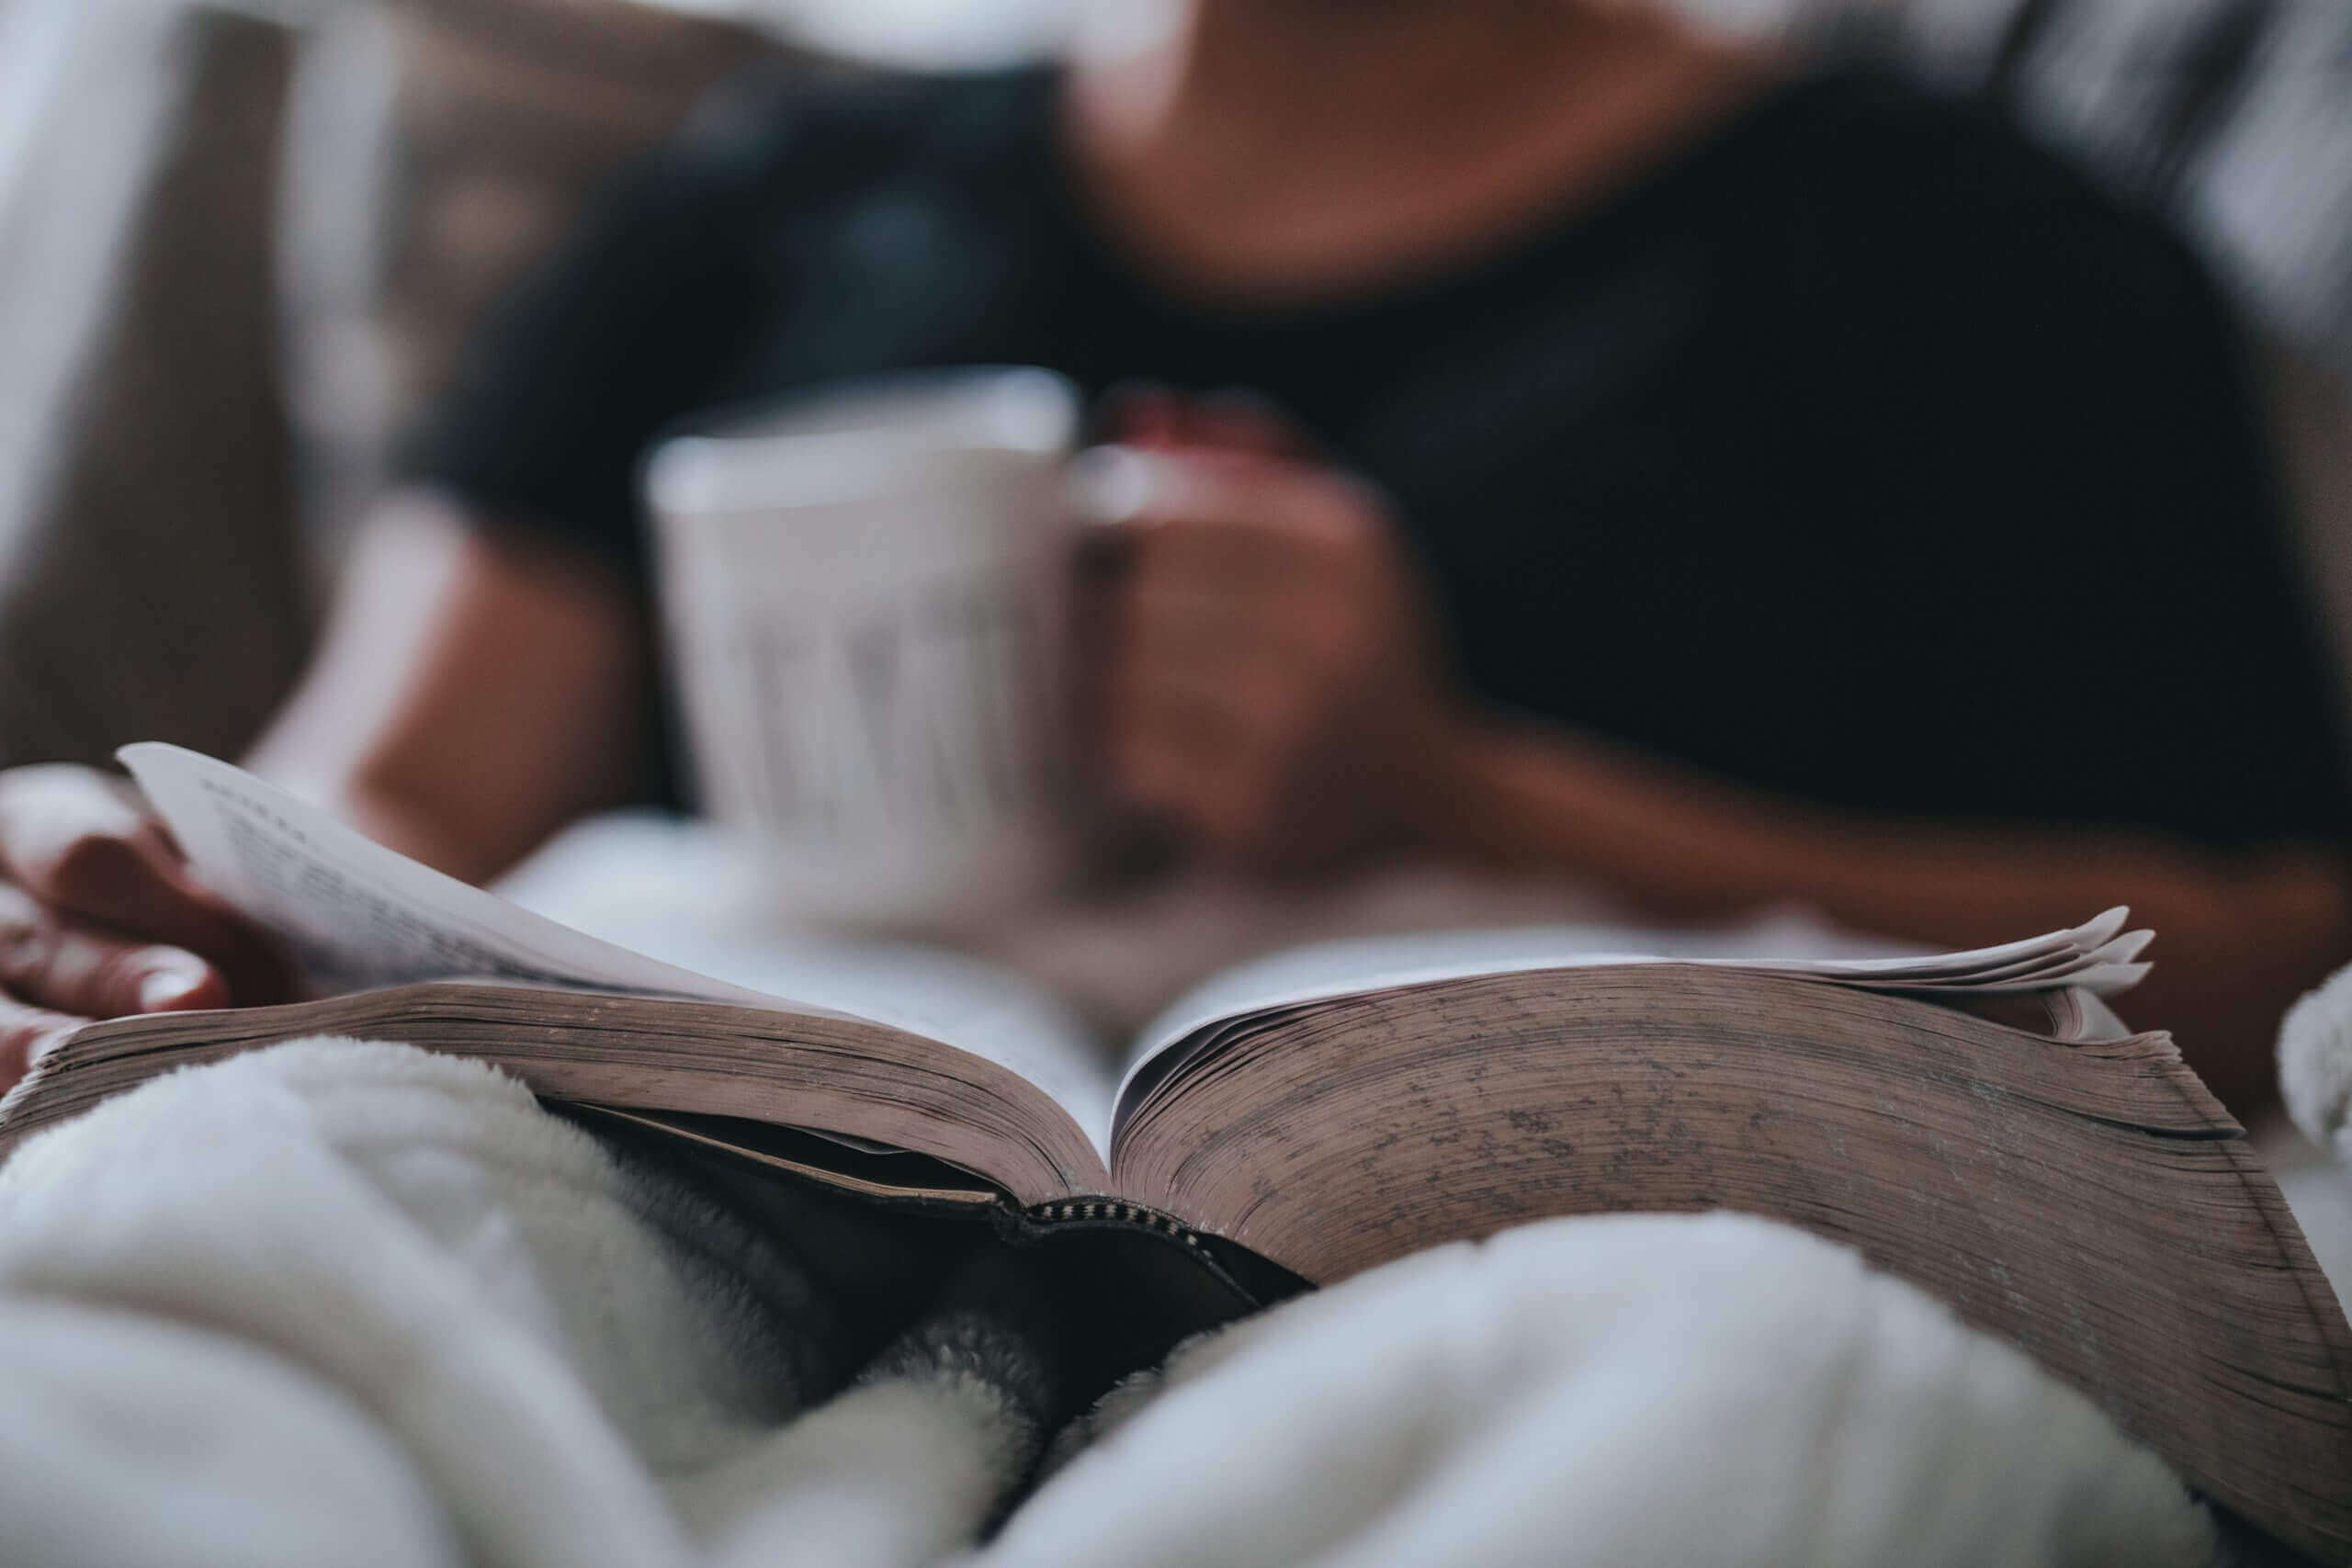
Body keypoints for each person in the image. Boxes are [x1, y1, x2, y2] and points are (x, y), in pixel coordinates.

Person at [0, 0, 2344, 1113]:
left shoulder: (1963, 251)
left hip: (1556, 1208)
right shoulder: (764, 204)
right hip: (745, 1150)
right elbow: (382, 789)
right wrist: (129, 887)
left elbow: (2271, 958)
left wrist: (1459, 788)